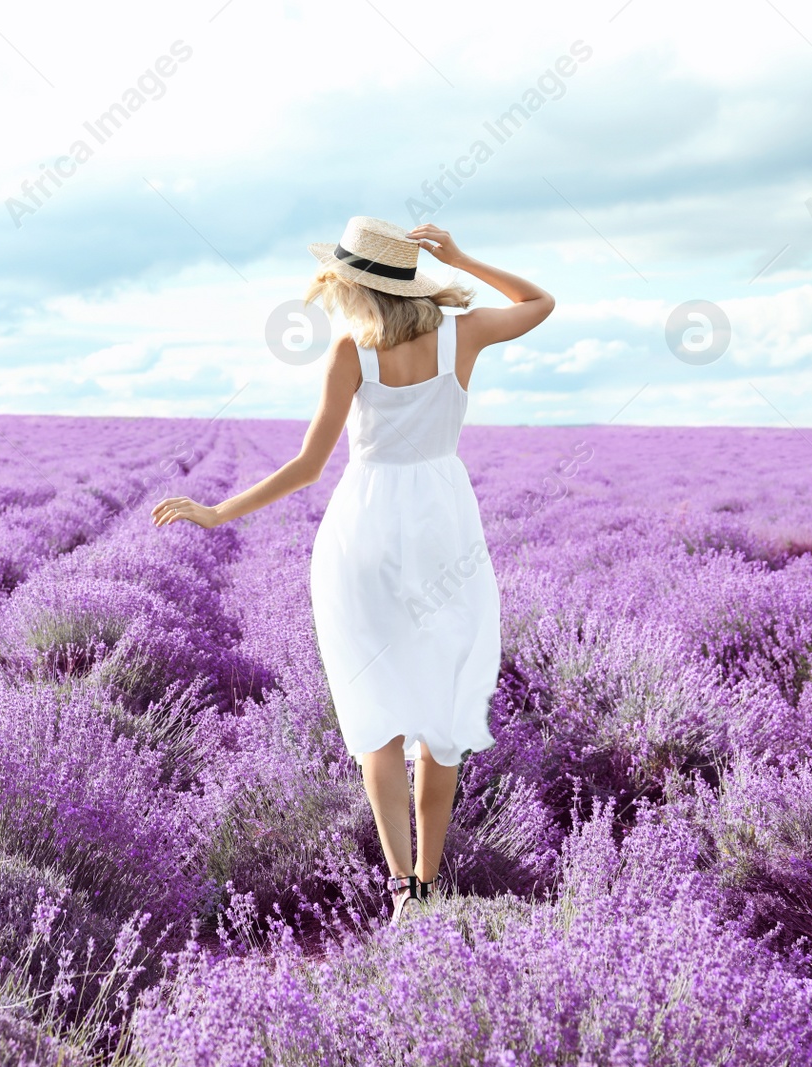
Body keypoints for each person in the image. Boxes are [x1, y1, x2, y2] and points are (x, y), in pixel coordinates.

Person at [151, 217, 554, 923]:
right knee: (442, 718)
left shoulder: (351, 351)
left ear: (357, 287)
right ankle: (430, 881)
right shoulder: (465, 334)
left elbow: (308, 466)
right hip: (443, 531)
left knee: (379, 719)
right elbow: (540, 302)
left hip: (363, 530)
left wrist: (218, 513)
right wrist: (460, 259)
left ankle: (405, 891)